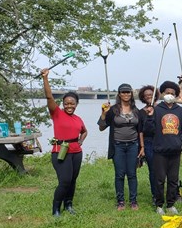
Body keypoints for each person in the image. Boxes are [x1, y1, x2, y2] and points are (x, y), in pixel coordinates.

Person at [41, 68, 88, 217]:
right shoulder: (57, 114)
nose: (69, 106)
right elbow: (49, 97)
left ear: (76, 104)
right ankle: (56, 208)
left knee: (73, 180)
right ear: (62, 104)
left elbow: (85, 131)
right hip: (60, 151)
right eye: (66, 103)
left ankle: (69, 204)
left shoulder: (78, 119)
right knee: (65, 181)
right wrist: (45, 78)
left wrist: (80, 141)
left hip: (76, 152)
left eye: (72, 104)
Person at [143, 80, 182, 215]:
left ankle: (170, 204)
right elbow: (148, 130)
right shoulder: (156, 110)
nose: (169, 95)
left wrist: (179, 141)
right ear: (162, 94)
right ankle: (159, 204)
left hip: (175, 151)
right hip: (159, 151)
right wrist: (150, 117)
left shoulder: (180, 111)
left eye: (172, 93)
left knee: (173, 179)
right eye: (167, 93)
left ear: (175, 95)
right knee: (159, 179)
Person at [98, 83, 144, 210]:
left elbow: (140, 130)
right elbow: (101, 127)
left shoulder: (136, 111)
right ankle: (121, 202)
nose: (126, 94)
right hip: (117, 146)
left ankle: (133, 201)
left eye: (128, 92)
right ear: (119, 94)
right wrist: (103, 113)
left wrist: (142, 147)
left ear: (131, 94)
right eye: (123, 92)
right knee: (119, 174)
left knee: (132, 174)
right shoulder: (112, 110)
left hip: (133, 145)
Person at [138, 85, 157, 204]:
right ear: (143, 98)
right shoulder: (141, 112)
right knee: (153, 171)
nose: (149, 97)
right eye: (146, 95)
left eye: (151, 94)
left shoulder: (161, 108)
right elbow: (140, 131)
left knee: (164, 170)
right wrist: (142, 147)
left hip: (161, 142)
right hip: (149, 142)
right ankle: (155, 195)